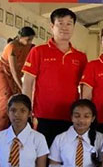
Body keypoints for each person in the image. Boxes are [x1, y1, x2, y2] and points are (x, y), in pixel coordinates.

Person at [22, 8, 87, 147]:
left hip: (70, 116)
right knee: (42, 154)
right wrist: (26, 110)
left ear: (73, 27)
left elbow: (84, 88)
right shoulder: (38, 51)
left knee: (66, 154)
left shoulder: (80, 57)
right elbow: (27, 82)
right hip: (43, 115)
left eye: (69, 24)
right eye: (60, 23)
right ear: (52, 26)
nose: (65, 27)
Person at [49, 99, 103, 167]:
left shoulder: (101, 139)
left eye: (86, 116)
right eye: (77, 116)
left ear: (93, 118)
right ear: (71, 117)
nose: (81, 120)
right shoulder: (60, 139)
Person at [0, 27, 35, 130]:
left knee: (17, 101)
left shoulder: (29, 47)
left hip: (17, 76)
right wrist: (22, 89)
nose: (30, 42)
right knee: (6, 99)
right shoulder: (12, 47)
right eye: (28, 39)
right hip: (4, 74)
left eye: (31, 40)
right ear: (20, 37)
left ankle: (11, 129)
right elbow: (13, 71)